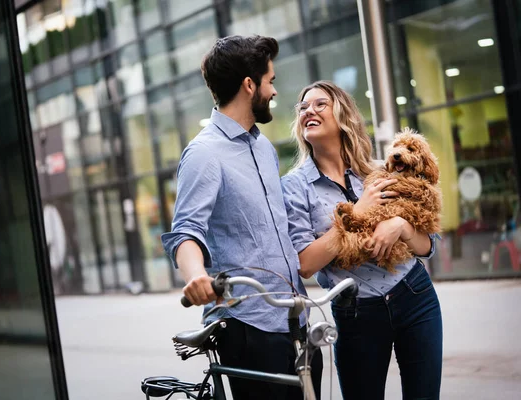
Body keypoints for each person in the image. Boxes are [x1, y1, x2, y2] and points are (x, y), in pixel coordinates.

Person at [161, 35, 321, 400]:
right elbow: (186, 230)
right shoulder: (204, 153)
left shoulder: (263, 147)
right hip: (248, 324)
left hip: (294, 319)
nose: (274, 92)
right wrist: (196, 276)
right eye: (270, 81)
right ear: (250, 85)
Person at [281, 80, 443, 400]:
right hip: (356, 314)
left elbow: (428, 245)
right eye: (303, 108)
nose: (308, 111)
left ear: (343, 116)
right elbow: (304, 263)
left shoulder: (378, 170)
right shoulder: (293, 187)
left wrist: (401, 226)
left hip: (415, 296)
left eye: (319, 104)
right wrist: (358, 210)